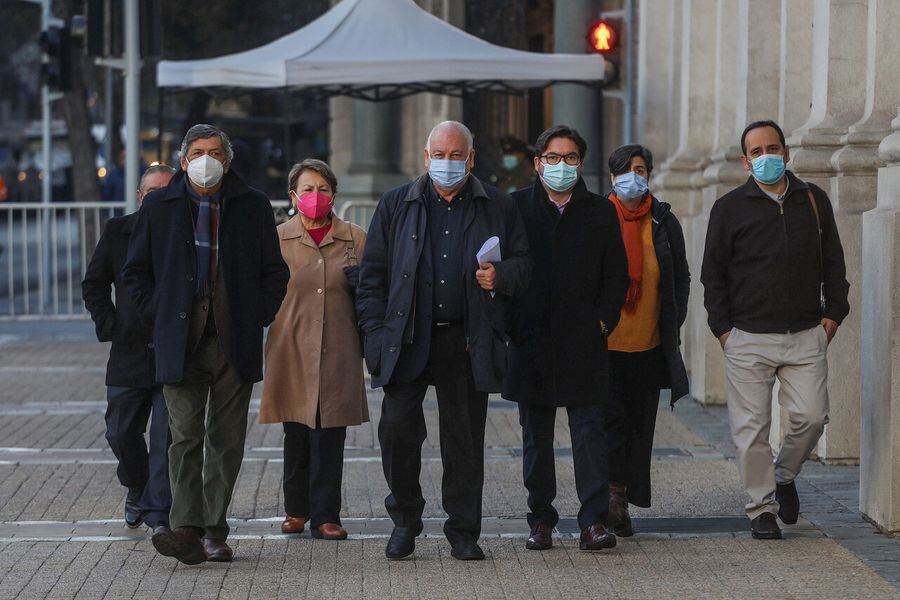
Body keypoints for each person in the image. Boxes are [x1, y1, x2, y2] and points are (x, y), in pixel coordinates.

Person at [357, 121, 531, 561]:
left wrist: (502, 276)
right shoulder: (397, 203)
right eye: (440, 154)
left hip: (467, 340)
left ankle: (463, 531)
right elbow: (371, 278)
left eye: (457, 155)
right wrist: (375, 340)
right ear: (426, 155)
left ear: (471, 159)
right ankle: (404, 521)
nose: (448, 163)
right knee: (397, 432)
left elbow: (526, 265)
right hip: (407, 339)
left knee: (465, 440)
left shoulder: (499, 205)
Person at [123, 124, 289, 564]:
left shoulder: (251, 205)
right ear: (182, 160)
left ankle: (215, 529)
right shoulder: (160, 205)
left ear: (227, 161)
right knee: (184, 436)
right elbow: (135, 272)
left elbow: (275, 271)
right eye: (198, 151)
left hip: (234, 339)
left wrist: (258, 314)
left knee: (226, 439)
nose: (206, 159)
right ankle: (186, 527)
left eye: (215, 152)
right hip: (181, 340)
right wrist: (156, 315)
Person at [701, 120, 850, 540]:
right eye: (756, 151)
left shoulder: (813, 200)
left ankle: (783, 476)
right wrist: (723, 330)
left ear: (786, 153)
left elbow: (834, 263)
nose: (766, 156)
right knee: (751, 430)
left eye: (773, 148)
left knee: (812, 417)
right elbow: (713, 273)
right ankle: (761, 509)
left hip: (805, 334)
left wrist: (833, 315)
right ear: (745, 161)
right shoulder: (729, 208)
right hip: (747, 337)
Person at [504, 125, 629, 552]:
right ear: (537, 163)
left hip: (583, 339)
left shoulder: (599, 210)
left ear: (581, 162)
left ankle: (593, 521)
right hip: (531, 339)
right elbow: (501, 270)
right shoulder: (514, 207)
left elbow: (617, 275)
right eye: (553, 158)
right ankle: (540, 518)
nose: (562, 166)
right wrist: (512, 324)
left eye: (571, 158)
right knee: (535, 437)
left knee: (589, 433)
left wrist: (602, 322)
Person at [260, 159, 368, 541]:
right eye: (307, 189)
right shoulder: (277, 238)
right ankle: (296, 510)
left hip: (338, 347)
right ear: (293, 196)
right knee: (297, 430)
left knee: (330, 434)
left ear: (334, 194)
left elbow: (370, 293)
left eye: (323, 189)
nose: (315, 196)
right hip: (291, 347)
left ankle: (327, 514)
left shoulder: (354, 237)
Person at [82, 164, 176, 532]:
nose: (158, 199)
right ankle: (136, 487)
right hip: (129, 351)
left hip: (172, 353)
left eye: (166, 191)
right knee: (120, 432)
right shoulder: (118, 231)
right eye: (152, 192)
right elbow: (94, 283)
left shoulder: (185, 234)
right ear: (140, 197)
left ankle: (158, 508)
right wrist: (111, 325)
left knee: (165, 437)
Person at [603, 144, 690, 537]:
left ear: (649, 175)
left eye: (640, 169)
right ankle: (609, 499)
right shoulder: (598, 217)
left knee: (638, 427)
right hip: (604, 345)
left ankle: (621, 496)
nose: (633, 177)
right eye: (625, 170)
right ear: (612, 177)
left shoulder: (663, 220)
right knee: (609, 424)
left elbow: (681, 277)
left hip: (649, 345)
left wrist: (673, 322)